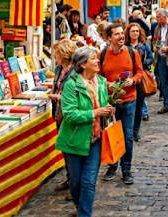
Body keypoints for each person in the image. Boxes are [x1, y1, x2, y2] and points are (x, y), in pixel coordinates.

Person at [55, 46, 114, 217]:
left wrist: (109, 108)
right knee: (76, 183)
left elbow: (103, 104)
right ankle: (78, 205)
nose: (97, 61)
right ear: (82, 65)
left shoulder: (101, 82)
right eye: (93, 59)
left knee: (89, 183)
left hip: (95, 140)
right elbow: (70, 115)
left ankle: (84, 214)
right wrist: (96, 112)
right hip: (74, 140)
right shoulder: (71, 86)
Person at [99, 21, 145, 184]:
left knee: (126, 136)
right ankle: (112, 165)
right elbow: (97, 77)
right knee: (111, 134)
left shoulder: (132, 53)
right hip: (110, 102)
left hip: (128, 101)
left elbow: (140, 72)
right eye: (117, 34)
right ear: (109, 38)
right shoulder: (103, 54)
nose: (121, 36)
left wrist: (132, 80)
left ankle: (126, 169)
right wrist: (107, 84)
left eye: (121, 33)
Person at [48, 39, 76, 197]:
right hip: (59, 113)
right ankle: (69, 179)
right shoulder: (59, 69)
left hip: (69, 114)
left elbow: (73, 94)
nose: (54, 55)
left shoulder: (75, 72)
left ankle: (74, 186)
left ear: (65, 54)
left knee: (71, 150)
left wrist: (57, 96)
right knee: (65, 149)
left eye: (57, 52)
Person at [126, 22, 153, 139]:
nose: (135, 33)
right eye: (133, 31)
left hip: (140, 78)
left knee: (138, 106)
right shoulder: (125, 46)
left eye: (137, 31)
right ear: (129, 33)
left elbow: (151, 58)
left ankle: (135, 131)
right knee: (128, 106)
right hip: (128, 78)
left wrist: (143, 64)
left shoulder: (144, 45)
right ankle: (128, 130)